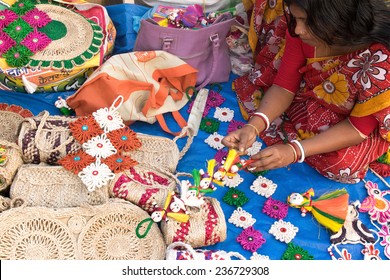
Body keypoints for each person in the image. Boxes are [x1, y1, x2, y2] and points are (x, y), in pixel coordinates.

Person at [222, 0, 390, 184]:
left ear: (337, 18)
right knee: (268, 104)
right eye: (296, 19)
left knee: (342, 164)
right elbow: (284, 86)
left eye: (305, 20)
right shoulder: (300, 32)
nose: (298, 29)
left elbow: (357, 128)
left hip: (356, 119)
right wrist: (253, 126)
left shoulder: (381, 60)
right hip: (312, 97)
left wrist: (294, 151)